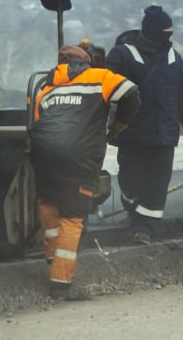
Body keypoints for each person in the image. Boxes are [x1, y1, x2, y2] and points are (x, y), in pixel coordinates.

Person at [30, 45, 140, 300]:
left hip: (44, 155)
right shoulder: (99, 77)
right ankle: (61, 282)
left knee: (48, 205)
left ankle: (52, 256)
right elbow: (131, 93)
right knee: (71, 217)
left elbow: (38, 123)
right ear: (87, 62)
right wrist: (118, 125)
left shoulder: (45, 89)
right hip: (78, 158)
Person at [105, 5, 183, 244]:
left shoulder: (173, 57)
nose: (169, 36)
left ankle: (145, 228)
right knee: (130, 180)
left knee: (159, 182)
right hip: (133, 135)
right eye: (166, 31)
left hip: (165, 134)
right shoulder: (122, 55)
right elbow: (105, 91)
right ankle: (133, 210)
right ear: (152, 32)